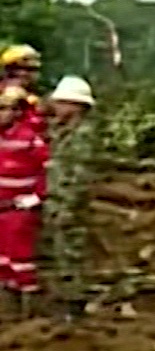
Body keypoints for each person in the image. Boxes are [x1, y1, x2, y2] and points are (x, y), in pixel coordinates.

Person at [41, 76, 97, 317]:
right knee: (59, 254)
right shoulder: (62, 132)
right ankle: (64, 302)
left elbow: (81, 177)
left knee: (71, 256)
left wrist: (69, 208)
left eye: (62, 103)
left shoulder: (83, 137)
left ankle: (74, 305)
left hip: (69, 206)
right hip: (56, 202)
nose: (57, 108)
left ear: (76, 106)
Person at [0, 85, 49, 310]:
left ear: (18, 112)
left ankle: (31, 306)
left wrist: (36, 197)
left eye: (4, 109)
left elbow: (47, 170)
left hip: (19, 209)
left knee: (21, 258)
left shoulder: (29, 139)